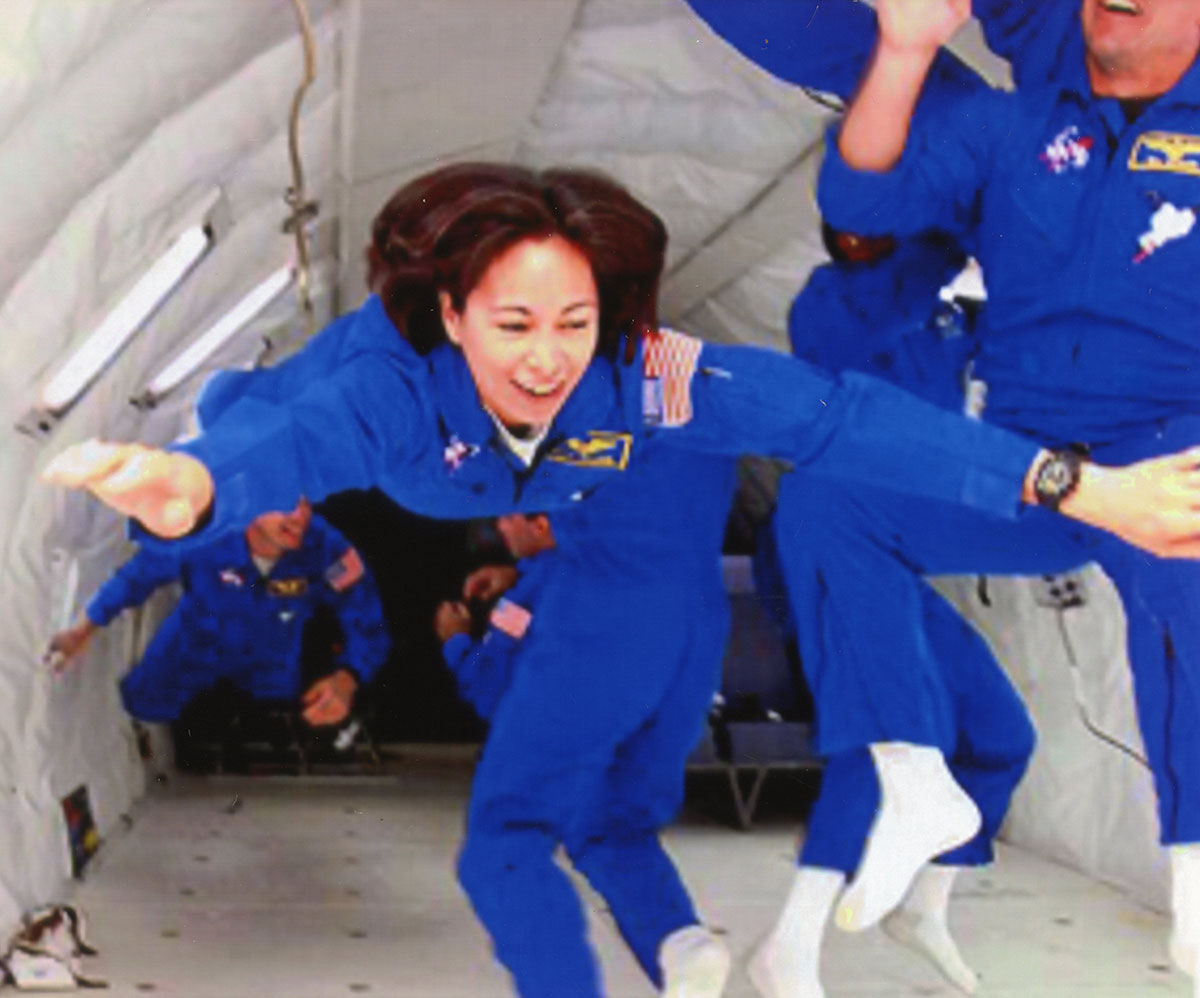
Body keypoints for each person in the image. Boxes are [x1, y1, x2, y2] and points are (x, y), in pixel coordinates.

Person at [41, 162, 1200, 998]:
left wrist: (1083, 488)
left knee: (587, 789)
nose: (545, 356)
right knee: (248, 423)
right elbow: (286, 448)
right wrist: (190, 486)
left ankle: (692, 935)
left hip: (628, 584)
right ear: (453, 317)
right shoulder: (389, 390)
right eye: (512, 324)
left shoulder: (647, 377)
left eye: (573, 321)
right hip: (317, 440)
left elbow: (845, 420)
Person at [752, 1, 1200, 996]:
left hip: (1100, 460)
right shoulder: (856, 290)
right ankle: (862, 848)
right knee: (834, 515)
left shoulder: (952, 281)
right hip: (973, 486)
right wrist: (908, 50)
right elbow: (864, 207)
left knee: (1033, 708)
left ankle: (1168, 873)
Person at [45, 497, 389, 730]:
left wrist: (347, 679)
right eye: (282, 502)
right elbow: (137, 577)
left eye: (304, 502)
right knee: (142, 706)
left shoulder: (326, 549)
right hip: (193, 644)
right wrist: (83, 629)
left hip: (271, 660)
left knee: (275, 724)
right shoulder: (205, 534)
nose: (297, 516)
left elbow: (367, 621)